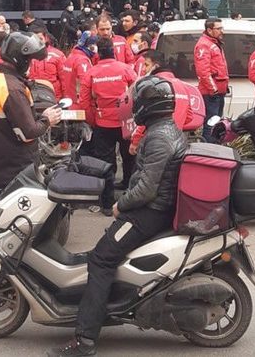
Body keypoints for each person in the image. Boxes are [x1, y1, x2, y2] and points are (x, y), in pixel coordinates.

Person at [48, 76, 187, 357]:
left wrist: (120, 206)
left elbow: (147, 189)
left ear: (150, 106)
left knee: (100, 258)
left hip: (149, 213)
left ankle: (85, 340)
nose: (136, 107)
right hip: (156, 208)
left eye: (140, 102)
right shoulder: (166, 129)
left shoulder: (159, 137)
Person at [0, 32, 62, 192]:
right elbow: (28, 132)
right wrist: (47, 119)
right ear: (21, 60)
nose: (32, 65)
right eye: (30, 60)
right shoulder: (13, 89)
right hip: (15, 169)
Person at [79, 37, 137, 197]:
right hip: (125, 121)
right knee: (129, 157)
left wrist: (93, 120)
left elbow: (84, 101)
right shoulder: (126, 69)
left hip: (103, 122)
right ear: (114, 52)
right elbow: (138, 90)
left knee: (105, 162)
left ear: (98, 54)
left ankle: (107, 201)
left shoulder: (91, 72)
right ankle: (130, 191)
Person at [193, 18, 228, 142]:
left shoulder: (214, 43)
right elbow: (203, 71)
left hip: (218, 91)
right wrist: (213, 89)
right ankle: (209, 149)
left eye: (221, 28)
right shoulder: (204, 44)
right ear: (209, 30)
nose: (222, 31)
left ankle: (214, 147)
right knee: (211, 123)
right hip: (211, 93)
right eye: (218, 29)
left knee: (216, 122)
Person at [61, 28, 98, 103]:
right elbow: (86, 84)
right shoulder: (82, 61)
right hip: (79, 103)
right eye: (94, 44)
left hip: (69, 100)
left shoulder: (71, 55)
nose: (95, 47)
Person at [28, 26, 66, 99]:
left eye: (40, 39)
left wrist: (65, 98)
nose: (37, 42)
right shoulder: (25, 55)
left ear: (46, 38)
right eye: (34, 39)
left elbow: (64, 80)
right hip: (32, 96)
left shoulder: (58, 55)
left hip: (54, 98)